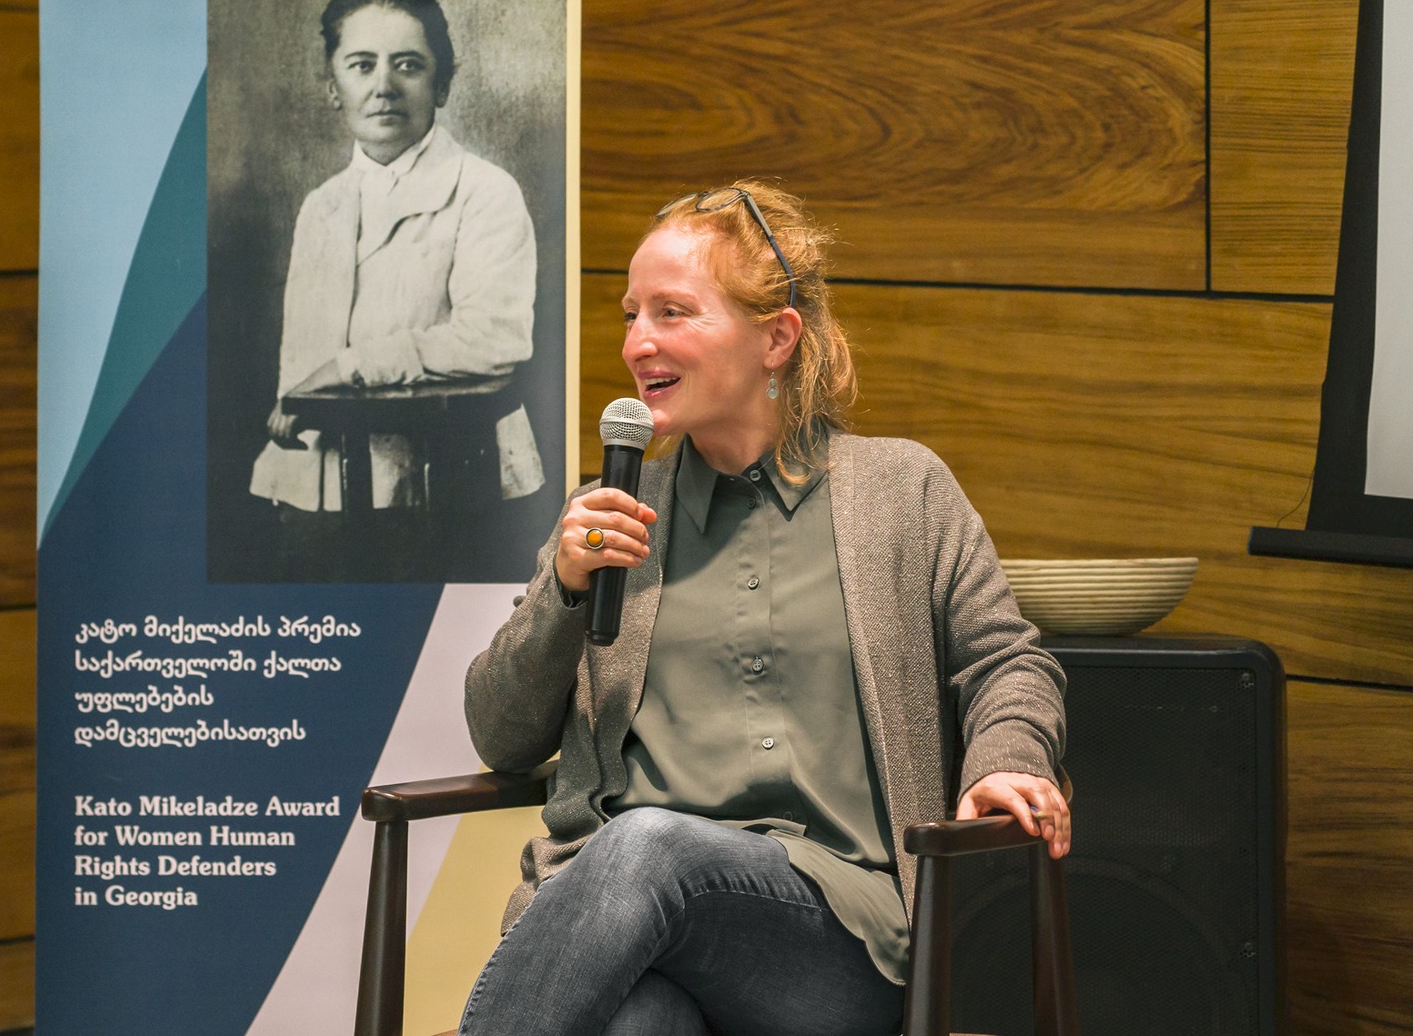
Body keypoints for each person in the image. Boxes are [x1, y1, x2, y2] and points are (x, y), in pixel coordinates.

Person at [458, 182, 1069, 1036]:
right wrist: (563, 590)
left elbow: (1007, 659)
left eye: (673, 312)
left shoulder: (900, 490)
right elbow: (500, 734)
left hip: (833, 937)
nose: (638, 343)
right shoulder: (613, 509)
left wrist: (1007, 755)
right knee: (640, 1023)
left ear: (776, 337)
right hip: (635, 925)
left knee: (646, 844)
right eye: (631, 314)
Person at [250, 0, 545, 514]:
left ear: (442, 84)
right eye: (362, 65)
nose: (383, 86)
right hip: (319, 479)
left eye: (408, 65)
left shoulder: (485, 191)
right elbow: (301, 361)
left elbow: (494, 338)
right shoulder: (322, 205)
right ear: (332, 86)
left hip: (450, 476)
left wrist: (348, 367)